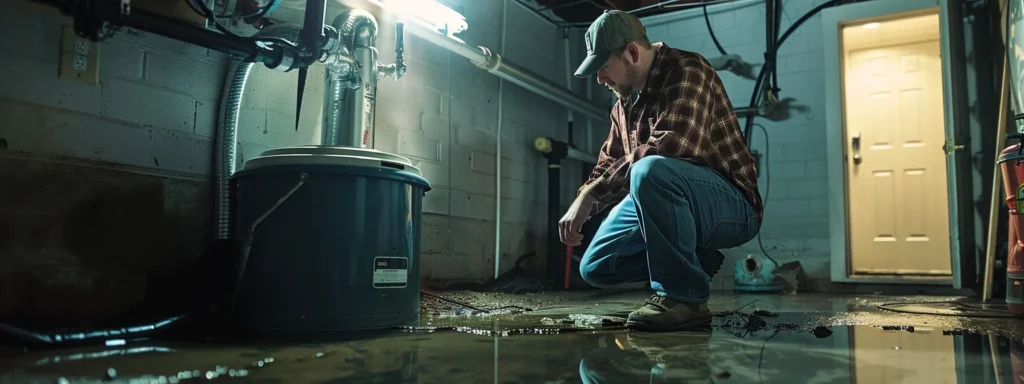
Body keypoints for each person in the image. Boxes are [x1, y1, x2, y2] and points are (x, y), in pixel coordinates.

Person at [560, 10, 763, 332]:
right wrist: (584, 199)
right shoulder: (622, 106)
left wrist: (592, 194)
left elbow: (673, 146)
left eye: (603, 66)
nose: (600, 78)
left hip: (730, 207)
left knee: (650, 169)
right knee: (597, 267)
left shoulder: (687, 69)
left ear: (631, 52)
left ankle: (685, 298)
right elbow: (608, 162)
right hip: (667, 194)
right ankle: (694, 261)